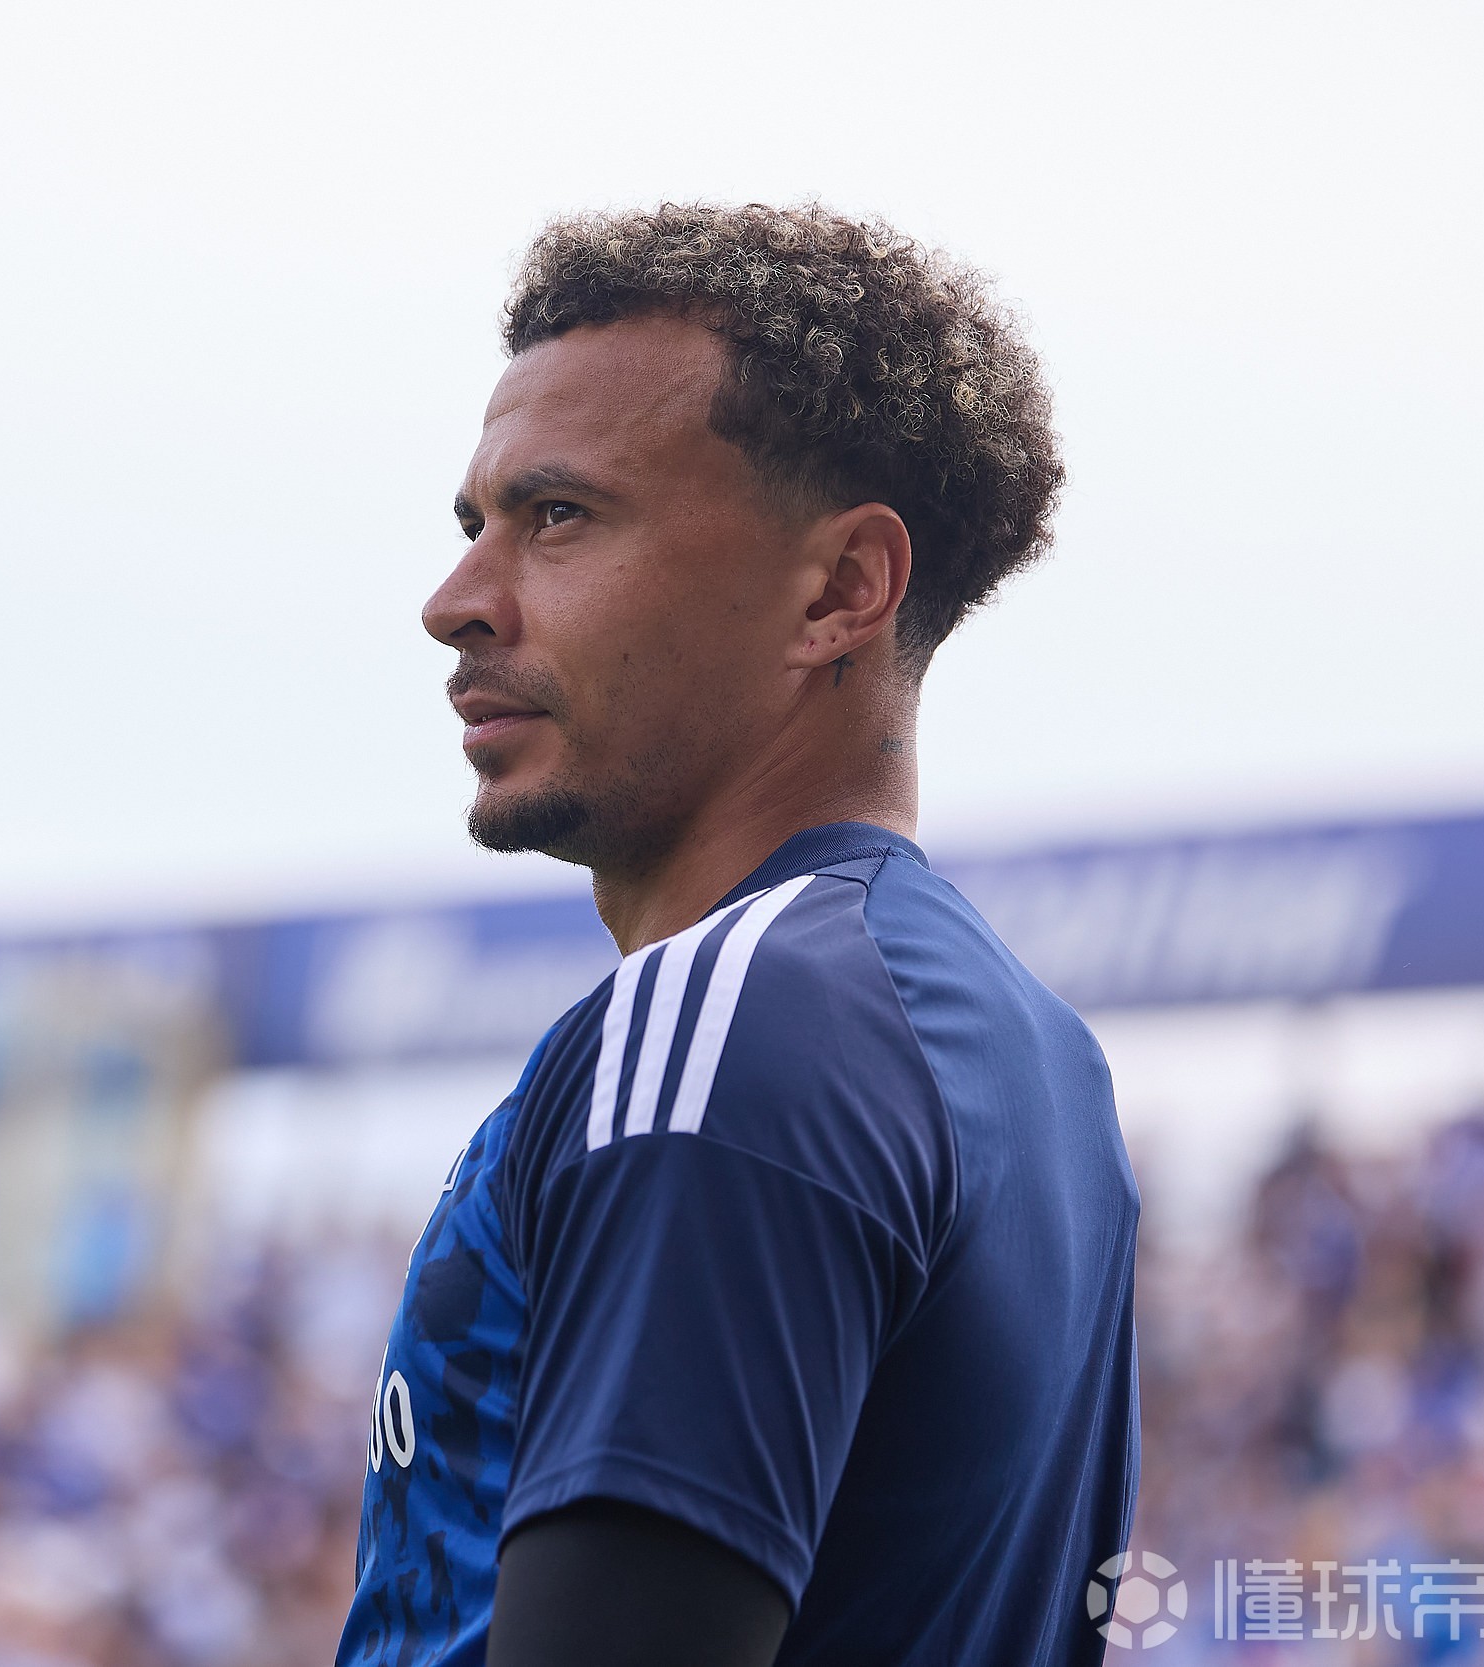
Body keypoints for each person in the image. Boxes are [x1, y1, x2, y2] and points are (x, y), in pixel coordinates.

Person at [331, 204, 1139, 1667]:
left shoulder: (729, 1020)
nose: (456, 604)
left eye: (558, 517)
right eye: (474, 526)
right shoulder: (1034, 1053)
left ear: (838, 591)